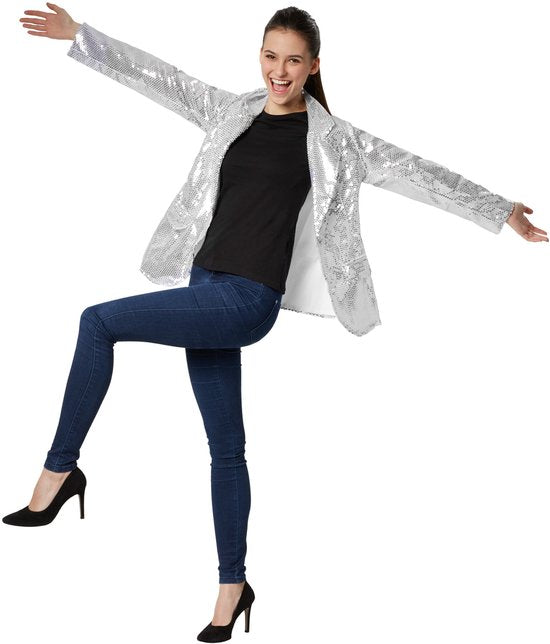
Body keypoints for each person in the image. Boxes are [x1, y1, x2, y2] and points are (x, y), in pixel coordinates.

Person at [4, 3, 547, 643]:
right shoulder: (231, 111)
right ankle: (232, 589)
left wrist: (500, 209)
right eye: (269, 56)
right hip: (204, 284)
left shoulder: (335, 140)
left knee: (97, 322)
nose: (279, 71)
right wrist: (80, 36)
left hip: (246, 299)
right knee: (226, 448)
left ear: (314, 66)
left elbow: (418, 172)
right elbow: (159, 76)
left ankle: (58, 473)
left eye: (293, 60)